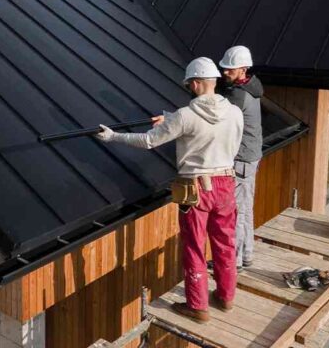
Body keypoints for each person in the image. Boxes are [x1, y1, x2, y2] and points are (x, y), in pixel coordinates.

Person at [96, 57, 243, 322]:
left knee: (195, 246)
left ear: (196, 83)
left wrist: (113, 137)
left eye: (189, 85)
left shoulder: (186, 116)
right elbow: (212, 129)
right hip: (227, 184)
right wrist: (171, 119)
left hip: (197, 188)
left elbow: (150, 141)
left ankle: (198, 306)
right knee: (225, 243)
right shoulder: (235, 112)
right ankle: (226, 296)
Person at [218, 46, 263, 270]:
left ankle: (233, 262)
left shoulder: (238, 96)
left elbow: (218, 118)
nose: (224, 72)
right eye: (224, 68)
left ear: (243, 69)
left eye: (230, 69)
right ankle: (246, 255)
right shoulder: (251, 87)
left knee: (237, 211)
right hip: (250, 157)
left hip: (242, 159)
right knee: (245, 208)